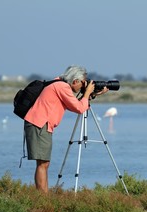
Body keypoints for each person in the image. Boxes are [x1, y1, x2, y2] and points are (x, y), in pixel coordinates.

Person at [24, 65, 108, 193]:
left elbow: (75, 105)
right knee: (43, 163)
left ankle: (44, 197)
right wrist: (87, 93)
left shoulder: (59, 83)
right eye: (82, 83)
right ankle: (42, 199)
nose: (83, 86)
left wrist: (91, 95)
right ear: (75, 81)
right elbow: (79, 108)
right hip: (39, 124)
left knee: (44, 163)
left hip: (40, 124)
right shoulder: (62, 87)